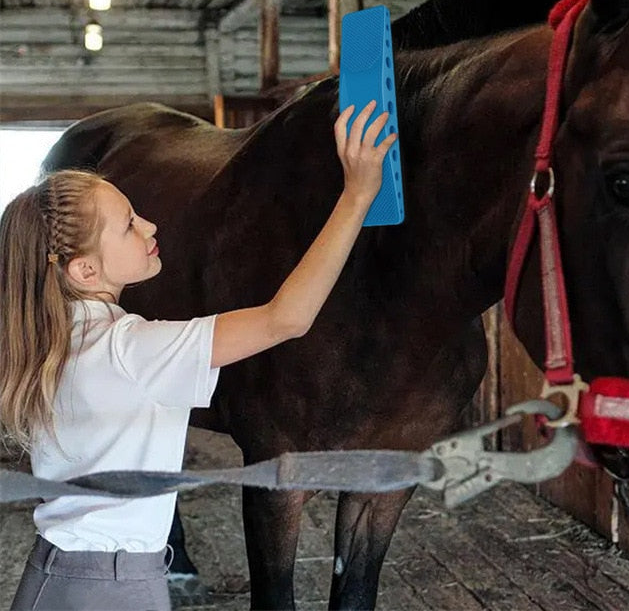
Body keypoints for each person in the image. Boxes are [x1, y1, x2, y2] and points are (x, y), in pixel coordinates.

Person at [0, 101, 396, 611]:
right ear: (85, 272)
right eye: (129, 224)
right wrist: (357, 194)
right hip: (110, 586)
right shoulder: (131, 349)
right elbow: (286, 319)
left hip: (64, 574)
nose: (150, 226)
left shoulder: (52, 337)